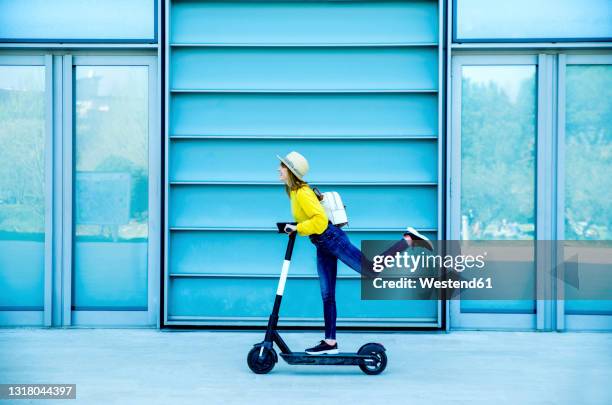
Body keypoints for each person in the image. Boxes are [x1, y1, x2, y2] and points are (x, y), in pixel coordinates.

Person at [277, 151, 433, 355]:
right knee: (327, 294)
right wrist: (293, 226)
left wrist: (297, 228)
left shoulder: (303, 192)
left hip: (331, 238)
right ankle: (330, 342)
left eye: (282, 166)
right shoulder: (294, 193)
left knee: (370, 271)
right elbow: (311, 219)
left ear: (291, 171)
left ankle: (407, 240)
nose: (279, 169)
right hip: (322, 243)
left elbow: (320, 221)